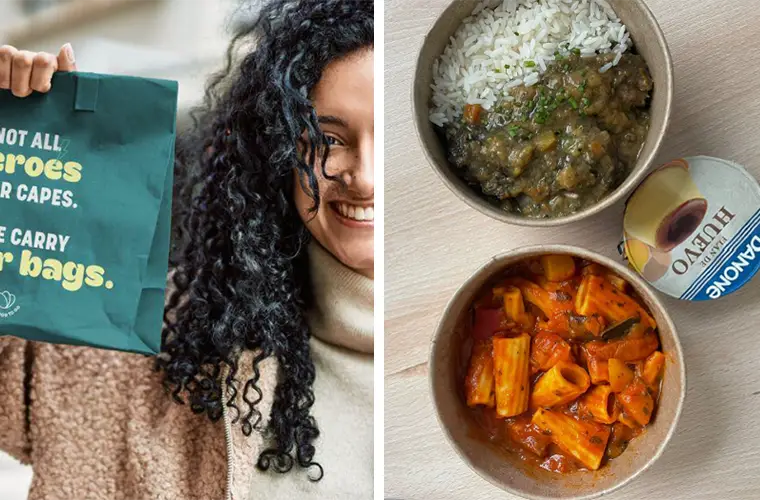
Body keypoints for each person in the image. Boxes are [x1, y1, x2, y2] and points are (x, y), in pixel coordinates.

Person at [0, 0, 374, 499]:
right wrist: (15, 174)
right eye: (328, 138)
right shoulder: (153, 332)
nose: (364, 178)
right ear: (279, 150)